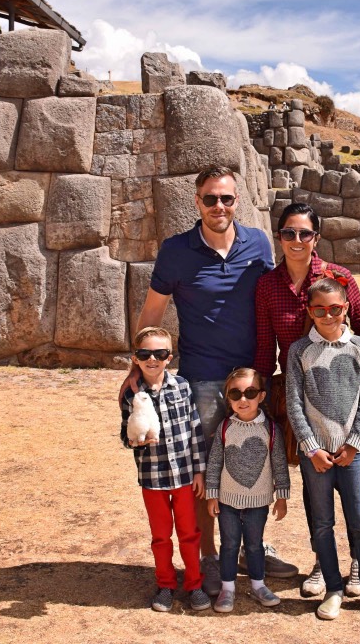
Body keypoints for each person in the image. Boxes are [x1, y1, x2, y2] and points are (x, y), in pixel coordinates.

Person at [124, 165, 297, 595]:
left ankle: (249, 547)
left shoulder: (258, 243)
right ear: (196, 201)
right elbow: (152, 313)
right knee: (203, 469)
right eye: (210, 198)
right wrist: (137, 368)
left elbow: (279, 296)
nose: (219, 206)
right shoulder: (176, 251)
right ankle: (210, 554)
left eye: (227, 198)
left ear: (237, 201)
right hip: (199, 379)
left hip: (250, 376)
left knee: (251, 462)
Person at [254, 202, 360, 598]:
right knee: (315, 484)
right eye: (289, 232)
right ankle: (321, 563)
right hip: (299, 399)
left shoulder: (338, 278)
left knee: (350, 480)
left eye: (304, 233)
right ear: (279, 236)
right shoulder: (267, 286)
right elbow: (264, 344)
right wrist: (257, 393)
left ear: (316, 237)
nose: (296, 240)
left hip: (342, 394)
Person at [287, 277, 360, 620]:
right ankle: (333, 588)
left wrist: (354, 444)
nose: (328, 316)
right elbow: (294, 404)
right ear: (310, 311)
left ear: (346, 308)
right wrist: (311, 448)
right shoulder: (299, 351)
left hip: (351, 454)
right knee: (321, 523)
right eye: (320, 310)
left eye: (335, 309)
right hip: (315, 455)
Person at [120, 326, 212, 613]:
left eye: (159, 354)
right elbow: (126, 434)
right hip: (152, 477)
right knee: (161, 536)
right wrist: (135, 442)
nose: (152, 359)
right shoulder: (131, 394)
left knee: (189, 533)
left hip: (184, 475)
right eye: (145, 354)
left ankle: (194, 584)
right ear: (135, 358)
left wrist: (199, 471)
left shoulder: (182, 386)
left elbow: (195, 430)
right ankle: (165, 585)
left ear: (169, 357)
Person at [205, 367, 290, 613]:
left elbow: (279, 466)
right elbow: (214, 464)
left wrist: (282, 497)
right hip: (227, 501)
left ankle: (258, 584)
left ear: (261, 396)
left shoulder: (270, 430)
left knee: (254, 545)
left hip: (258, 502)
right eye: (235, 394)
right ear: (228, 398)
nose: (243, 400)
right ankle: (227, 588)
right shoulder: (224, 428)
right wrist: (212, 494)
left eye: (250, 393)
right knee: (229, 545)